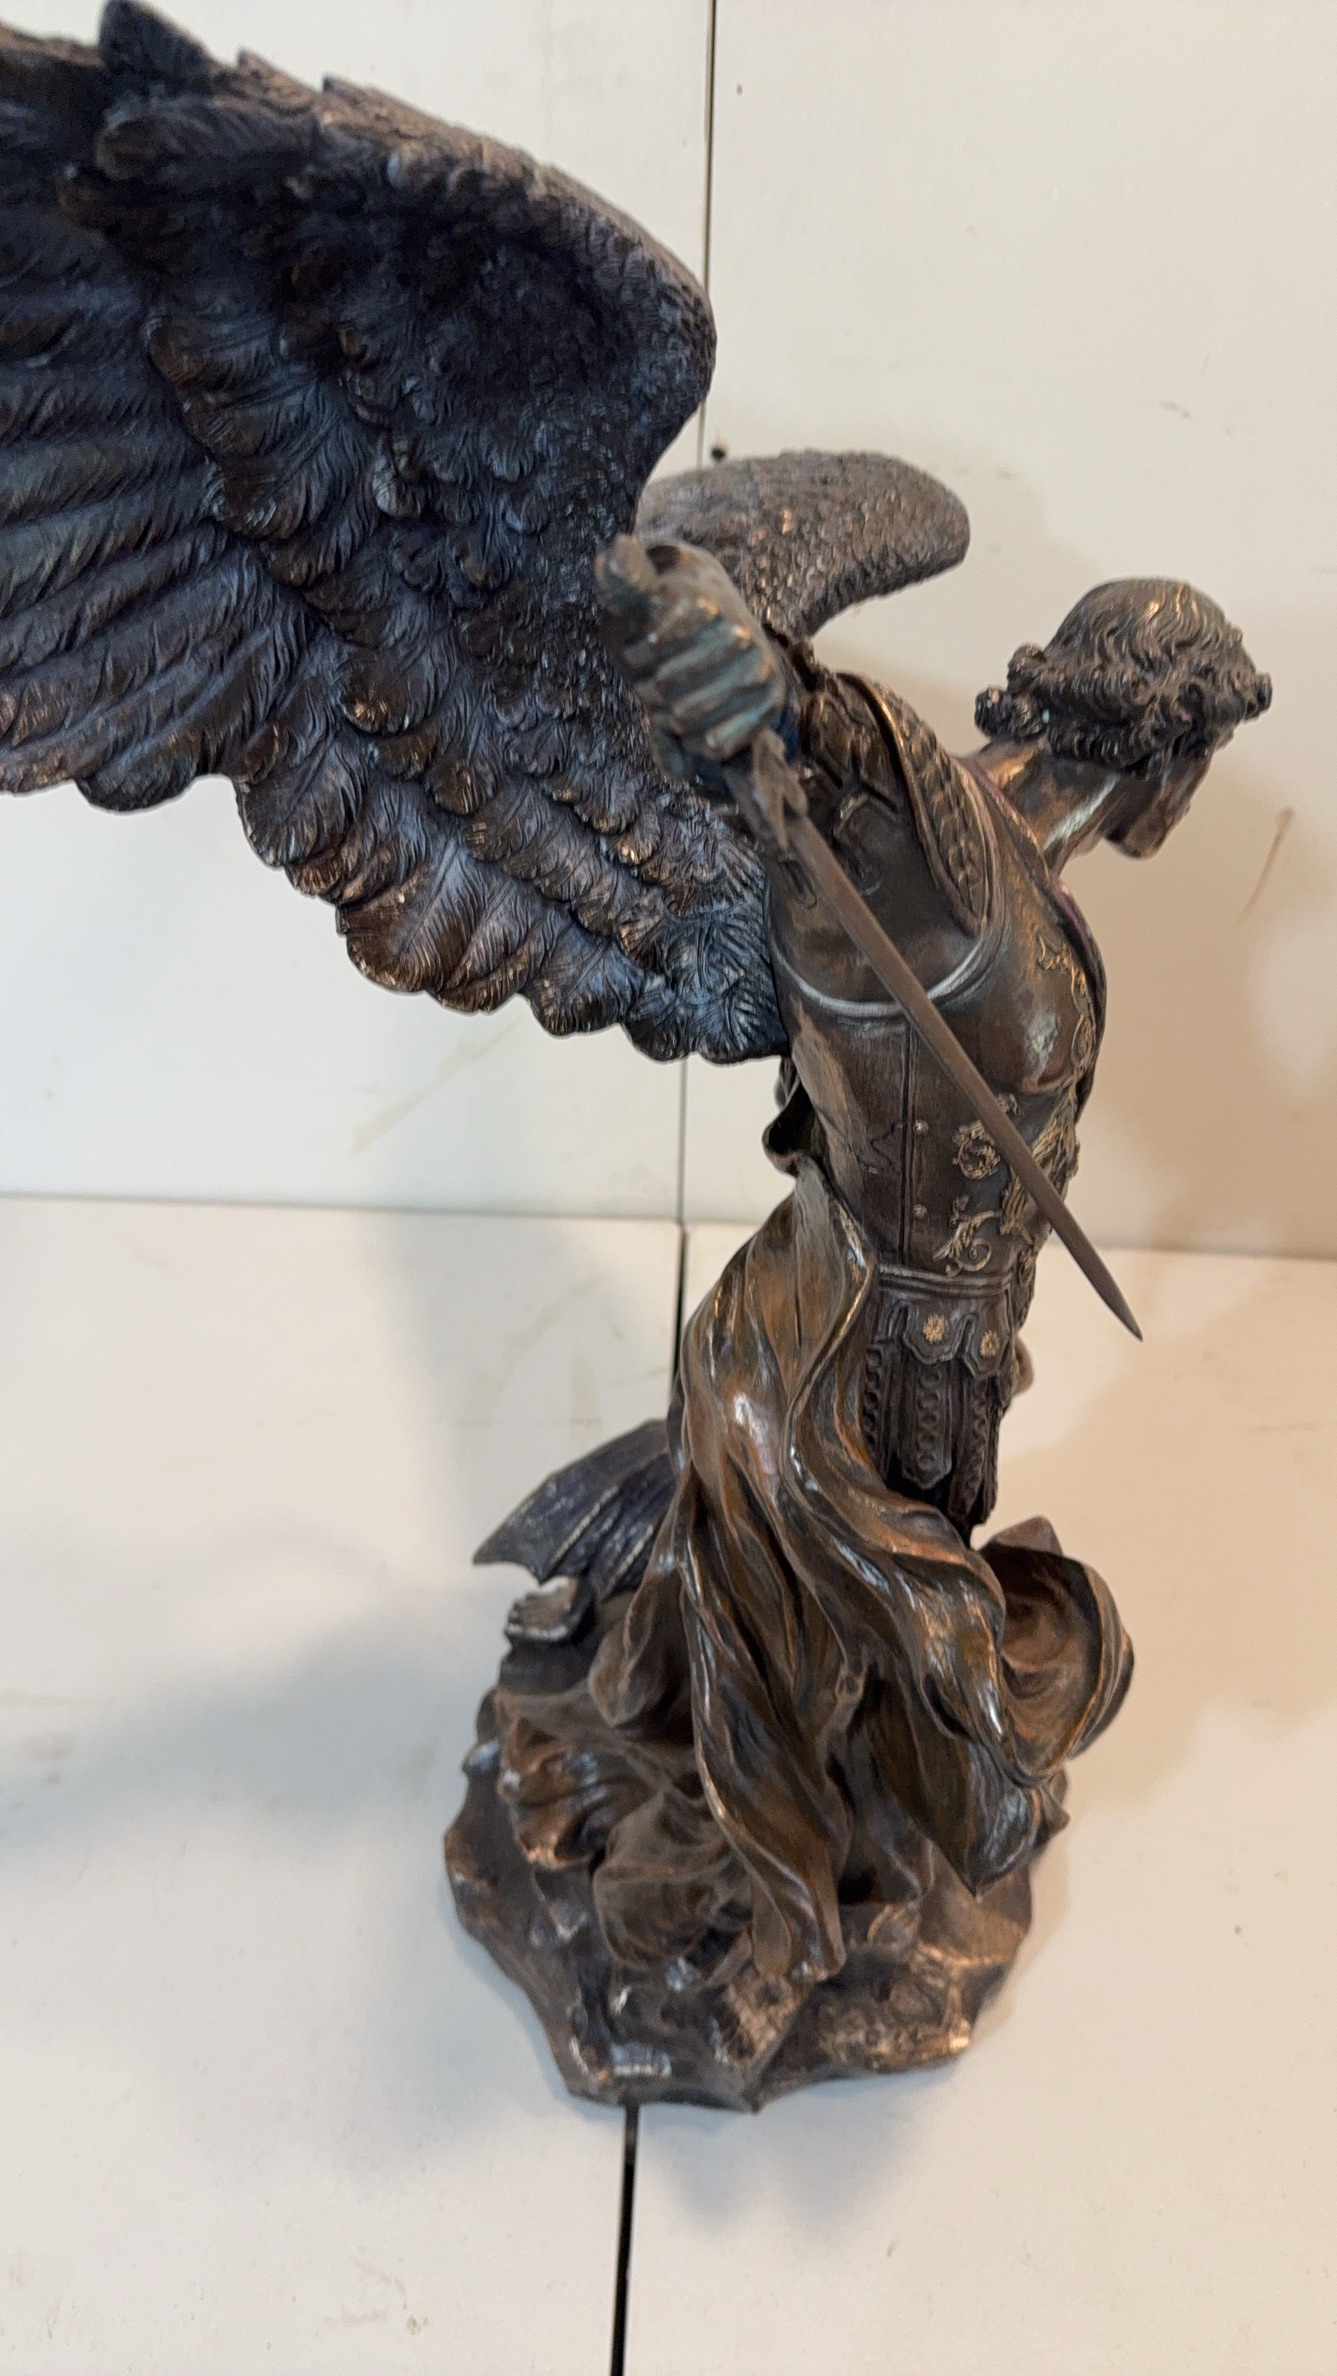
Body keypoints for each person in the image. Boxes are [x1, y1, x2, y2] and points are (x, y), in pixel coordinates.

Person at [476, 554, 1270, 2033]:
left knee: (844, 1676)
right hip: (835, 1370)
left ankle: (793, 1811)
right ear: (1175, 750)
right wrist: (759, 679)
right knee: (899, 1692)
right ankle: (746, 1916)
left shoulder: (1002, 856)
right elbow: (837, 755)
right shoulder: (928, 843)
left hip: (909, 1345)